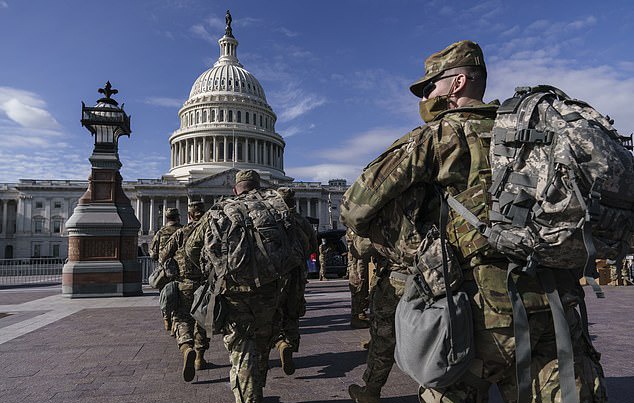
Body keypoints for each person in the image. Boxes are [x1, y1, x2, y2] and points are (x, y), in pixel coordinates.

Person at [341, 40, 606, 403]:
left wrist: (414, 248)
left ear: (458, 83)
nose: (425, 94)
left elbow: (356, 205)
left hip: (477, 313)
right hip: (557, 306)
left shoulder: (440, 135)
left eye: (430, 85)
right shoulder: (536, 134)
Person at [190, 169, 290, 403]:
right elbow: (301, 243)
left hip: (232, 290)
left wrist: (212, 269)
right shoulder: (275, 209)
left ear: (235, 188)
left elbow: (191, 248)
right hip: (269, 288)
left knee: (241, 350)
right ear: (260, 186)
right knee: (263, 343)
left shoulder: (219, 210)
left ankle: (249, 397)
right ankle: (257, 388)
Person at [159, 201, 209, 382]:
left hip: (184, 283)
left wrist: (173, 270)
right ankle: (200, 358)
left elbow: (163, 255)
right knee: (202, 321)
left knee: (182, 318)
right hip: (206, 285)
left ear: (188, 215)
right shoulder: (213, 232)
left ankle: (187, 347)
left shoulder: (181, 233)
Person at [273, 187, 318, 376]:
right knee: (292, 312)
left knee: (273, 313)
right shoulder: (301, 221)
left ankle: (279, 342)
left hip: (275, 275)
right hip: (297, 274)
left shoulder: (268, 219)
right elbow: (313, 246)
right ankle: (289, 343)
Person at [149, 208, 182, 334]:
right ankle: (175, 322)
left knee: (165, 294)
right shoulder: (183, 230)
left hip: (164, 271)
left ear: (167, 218)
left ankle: (166, 316)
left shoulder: (160, 232)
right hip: (180, 270)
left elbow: (153, 253)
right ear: (177, 217)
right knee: (179, 297)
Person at [346, 228, 371, 329]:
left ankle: (361, 314)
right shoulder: (354, 228)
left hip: (360, 259)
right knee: (358, 285)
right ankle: (356, 316)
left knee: (362, 284)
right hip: (357, 260)